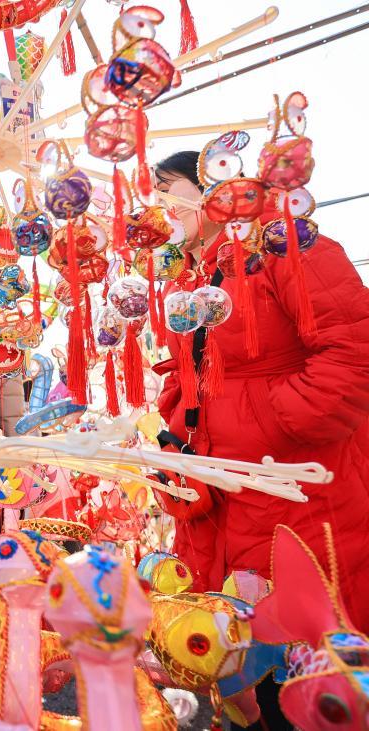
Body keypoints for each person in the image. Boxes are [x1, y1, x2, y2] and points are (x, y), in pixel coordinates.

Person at [153, 151, 369, 634]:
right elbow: (184, 368)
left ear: (215, 185)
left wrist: (275, 422)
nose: (159, 202)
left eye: (168, 187)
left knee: (300, 643)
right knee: (231, 640)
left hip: (291, 480)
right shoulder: (191, 273)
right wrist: (177, 429)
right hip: (217, 484)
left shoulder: (284, 241)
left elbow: (354, 346)